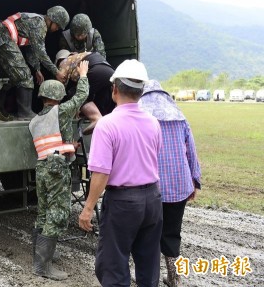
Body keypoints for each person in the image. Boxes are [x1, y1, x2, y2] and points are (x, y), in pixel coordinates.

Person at [78, 59, 163, 287]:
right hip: (153, 200)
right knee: (149, 265)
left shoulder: (107, 124)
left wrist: (87, 209)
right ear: (141, 91)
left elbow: (101, 173)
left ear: (114, 89)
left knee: (113, 266)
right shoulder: (154, 123)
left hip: (123, 203)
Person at [29, 60, 89, 281]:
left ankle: (39, 257)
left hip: (42, 168)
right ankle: (43, 267)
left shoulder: (34, 121)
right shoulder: (60, 112)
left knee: (43, 212)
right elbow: (81, 97)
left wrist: (67, 147)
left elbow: (47, 145)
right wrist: (83, 75)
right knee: (58, 214)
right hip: (56, 169)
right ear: (59, 96)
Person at [139, 80, 202, 287]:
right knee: (172, 232)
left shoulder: (140, 117)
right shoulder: (179, 116)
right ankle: (174, 278)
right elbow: (191, 151)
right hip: (179, 185)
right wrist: (195, 181)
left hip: (149, 187)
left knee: (148, 234)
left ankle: (149, 279)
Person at [0, 6, 69, 120]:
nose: (57, 29)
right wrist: (56, 72)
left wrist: (37, 69)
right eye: (58, 26)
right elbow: (41, 53)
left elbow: (31, 49)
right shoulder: (40, 24)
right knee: (25, 76)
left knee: (8, 78)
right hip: (3, 38)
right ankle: (25, 113)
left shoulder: (37, 22)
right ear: (51, 19)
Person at [55, 49, 115, 134]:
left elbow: (60, 89)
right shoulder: (80, 56)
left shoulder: (63, 62)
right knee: (99, 95)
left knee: (74, 93)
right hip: (110, 72)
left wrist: (56, 108)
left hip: (96, 71)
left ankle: (96, 118)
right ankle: (103, 120)